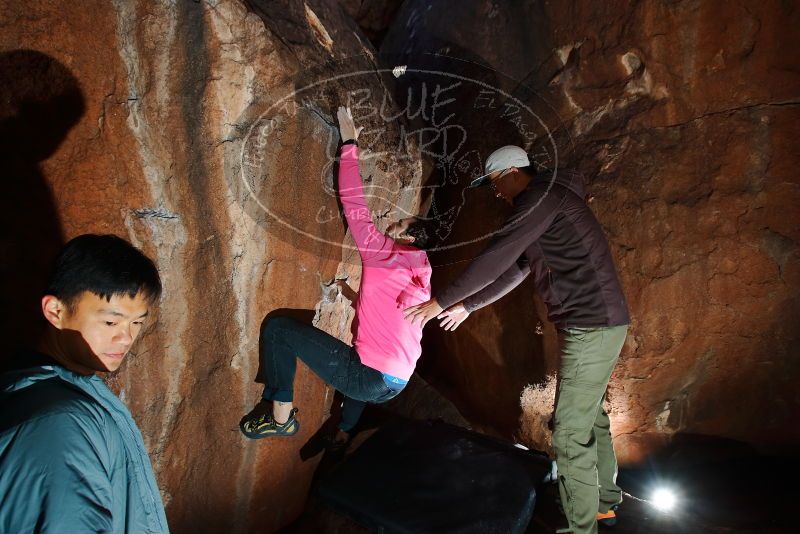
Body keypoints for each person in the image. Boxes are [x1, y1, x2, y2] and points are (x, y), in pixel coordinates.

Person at [404, 145, 630, 534]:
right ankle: (603, 505)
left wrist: (441, 300)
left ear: (512, 171)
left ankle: (581, 528)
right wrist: (469, 306)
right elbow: (517, 269)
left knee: (570, 431)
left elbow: (498, 255)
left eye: (494, 183)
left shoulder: (540, 199)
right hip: (598, 323)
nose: (495, 192)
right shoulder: (549, 203)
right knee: (590, 417)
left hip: (590, 325)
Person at [239, 106, 433, 443]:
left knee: (278, 328)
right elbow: (395, 316)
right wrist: (355, 296)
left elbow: (354, 203)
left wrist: (349, 143)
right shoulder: (421, 272)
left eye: (402, 223)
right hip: (397, 382)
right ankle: (344, 429)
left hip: (371, 375)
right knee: (357, 373)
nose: (394, 222)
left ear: (409, 237)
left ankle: (281, 417)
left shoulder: (384, 252)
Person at [0, 234, 169, 533]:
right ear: (55, 311)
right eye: (110, 322)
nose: (126, 338)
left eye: (137, 322)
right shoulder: (57, 424)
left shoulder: (72, 390)